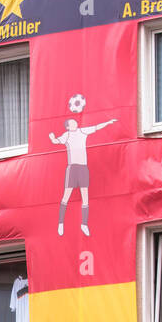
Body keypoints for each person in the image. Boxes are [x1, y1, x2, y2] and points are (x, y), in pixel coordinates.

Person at [49, 101, 116, 236]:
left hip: (83, 167)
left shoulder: (82, 131)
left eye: (75, 122)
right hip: (72, 167)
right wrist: (52, 138)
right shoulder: (66, 135)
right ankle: (61, 223)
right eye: (72, 123)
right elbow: (56, 141)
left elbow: (96, 127)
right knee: (66, 195)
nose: (75, 123)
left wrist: (108, 123)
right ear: (68, 126)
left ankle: (84, 224)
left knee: (85, 196)